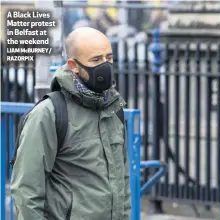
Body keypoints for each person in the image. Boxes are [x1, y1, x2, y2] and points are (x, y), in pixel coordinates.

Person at [10, 27, 131, 220]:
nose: (105, 65)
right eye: (96, 60)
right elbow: (27, 191)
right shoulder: (49, 113)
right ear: (73, 66)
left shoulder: (114, 108)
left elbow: (122, 180)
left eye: (109, 57)